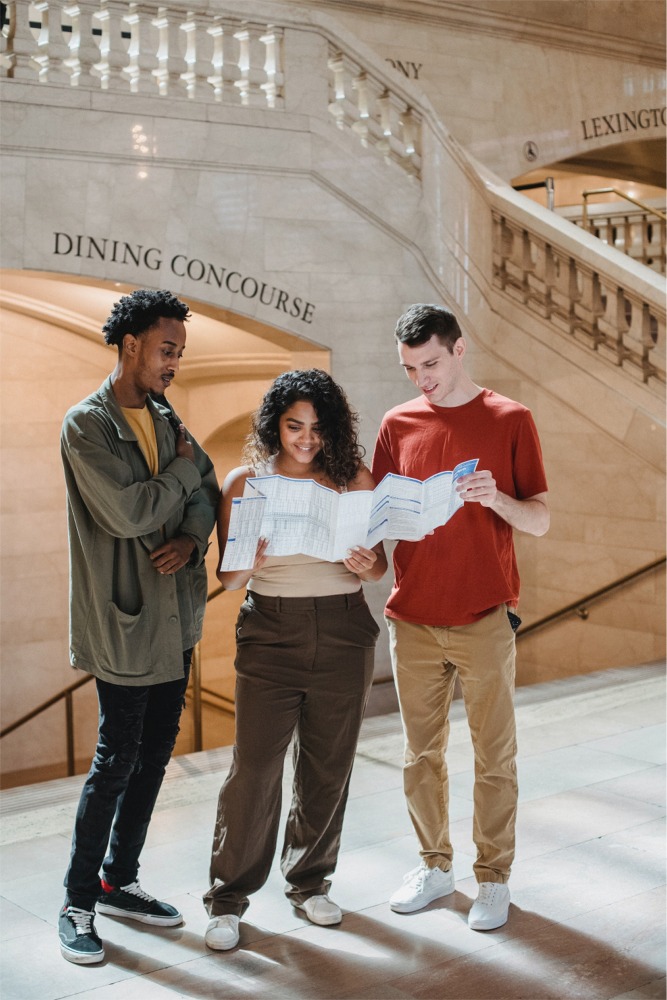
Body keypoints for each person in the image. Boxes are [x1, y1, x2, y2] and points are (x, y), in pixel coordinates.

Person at [372, 303, 549, 932]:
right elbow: (383, 520)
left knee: (493, 755)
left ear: (459, 349)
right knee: (421, 756)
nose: (422, 378)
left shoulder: (510, 418)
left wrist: (497, 497)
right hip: (412, 616)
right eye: (410, 368)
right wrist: (363, 549)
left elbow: (541, 517)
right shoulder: (397, 424)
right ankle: (435, 866)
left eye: (431, 363)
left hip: (483, 615)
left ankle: (493, 879)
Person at [58, 289, 219, 965]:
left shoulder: (162, 410)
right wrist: (181, 471)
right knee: (114, 759)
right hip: (125, 622)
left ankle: (119, 880)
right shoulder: (86, 425)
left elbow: (206, 487)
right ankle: (76, 898)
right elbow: (127, 512)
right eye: (167, 350)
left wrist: (189, 541)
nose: (174, 363)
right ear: (131, 346)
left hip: (175, 616)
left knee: (156, 754)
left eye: (179, 352)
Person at [203, 369, 387, 951]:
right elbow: (228, 580)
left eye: (316, 427)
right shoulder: (244, 483)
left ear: (333, 430)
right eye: (293, 426)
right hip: (270, 630)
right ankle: (227, 899)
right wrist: (248, 558)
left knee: (327, 766)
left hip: (342, 626)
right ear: (275, 426)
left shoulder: (355, 479)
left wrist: (367, 565)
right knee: (254, 769)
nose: (305, 438)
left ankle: (310, 884)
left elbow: (379, 566)